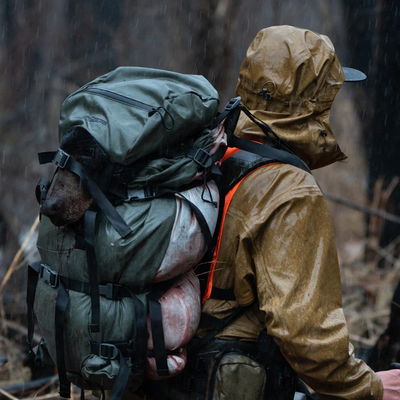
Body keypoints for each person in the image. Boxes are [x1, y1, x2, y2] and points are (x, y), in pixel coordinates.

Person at [169, 26, 400, 400]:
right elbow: (309, 337)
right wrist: (369, 387)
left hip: (170, 380)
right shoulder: (289, 190)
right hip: (225, 385)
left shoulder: (212, 154)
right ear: (314, 104)